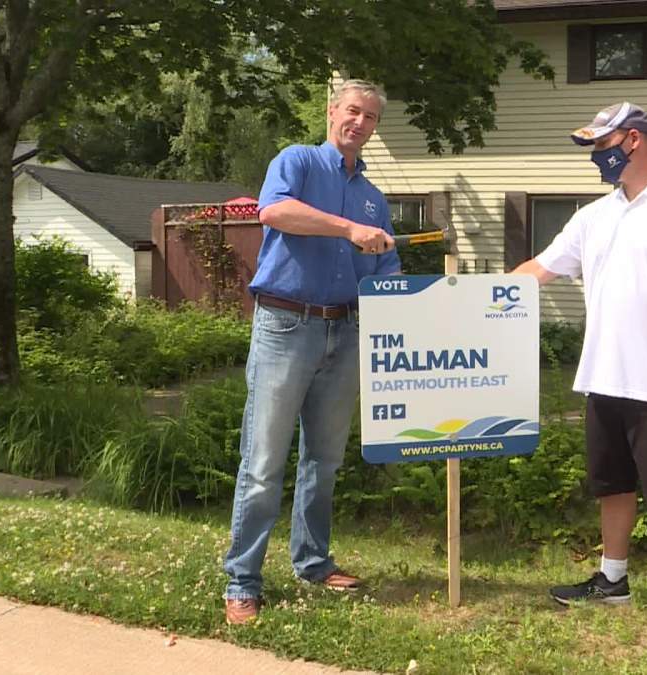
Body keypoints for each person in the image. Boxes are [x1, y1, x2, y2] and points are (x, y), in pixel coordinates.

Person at [514, 102, 647, 642]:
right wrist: (478, 293)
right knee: (613, 486)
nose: (595, 159)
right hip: (603, 377)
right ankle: (613, 580)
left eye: (601, 147)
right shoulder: (594, 216)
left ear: (633, 141)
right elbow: (540, 269)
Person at [223, 79, 401, 625]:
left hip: (344, 331)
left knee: (323, 461)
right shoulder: (297, 161)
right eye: (354, 111)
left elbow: (385, 269)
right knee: (263, 463)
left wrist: (407, 295)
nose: (361, 123)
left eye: (371, 117)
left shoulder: (374, 197)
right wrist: (351, 229)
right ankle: (242, 581)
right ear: (332, 112)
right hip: (285, 325)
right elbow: (273, 214)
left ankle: (314, 561)